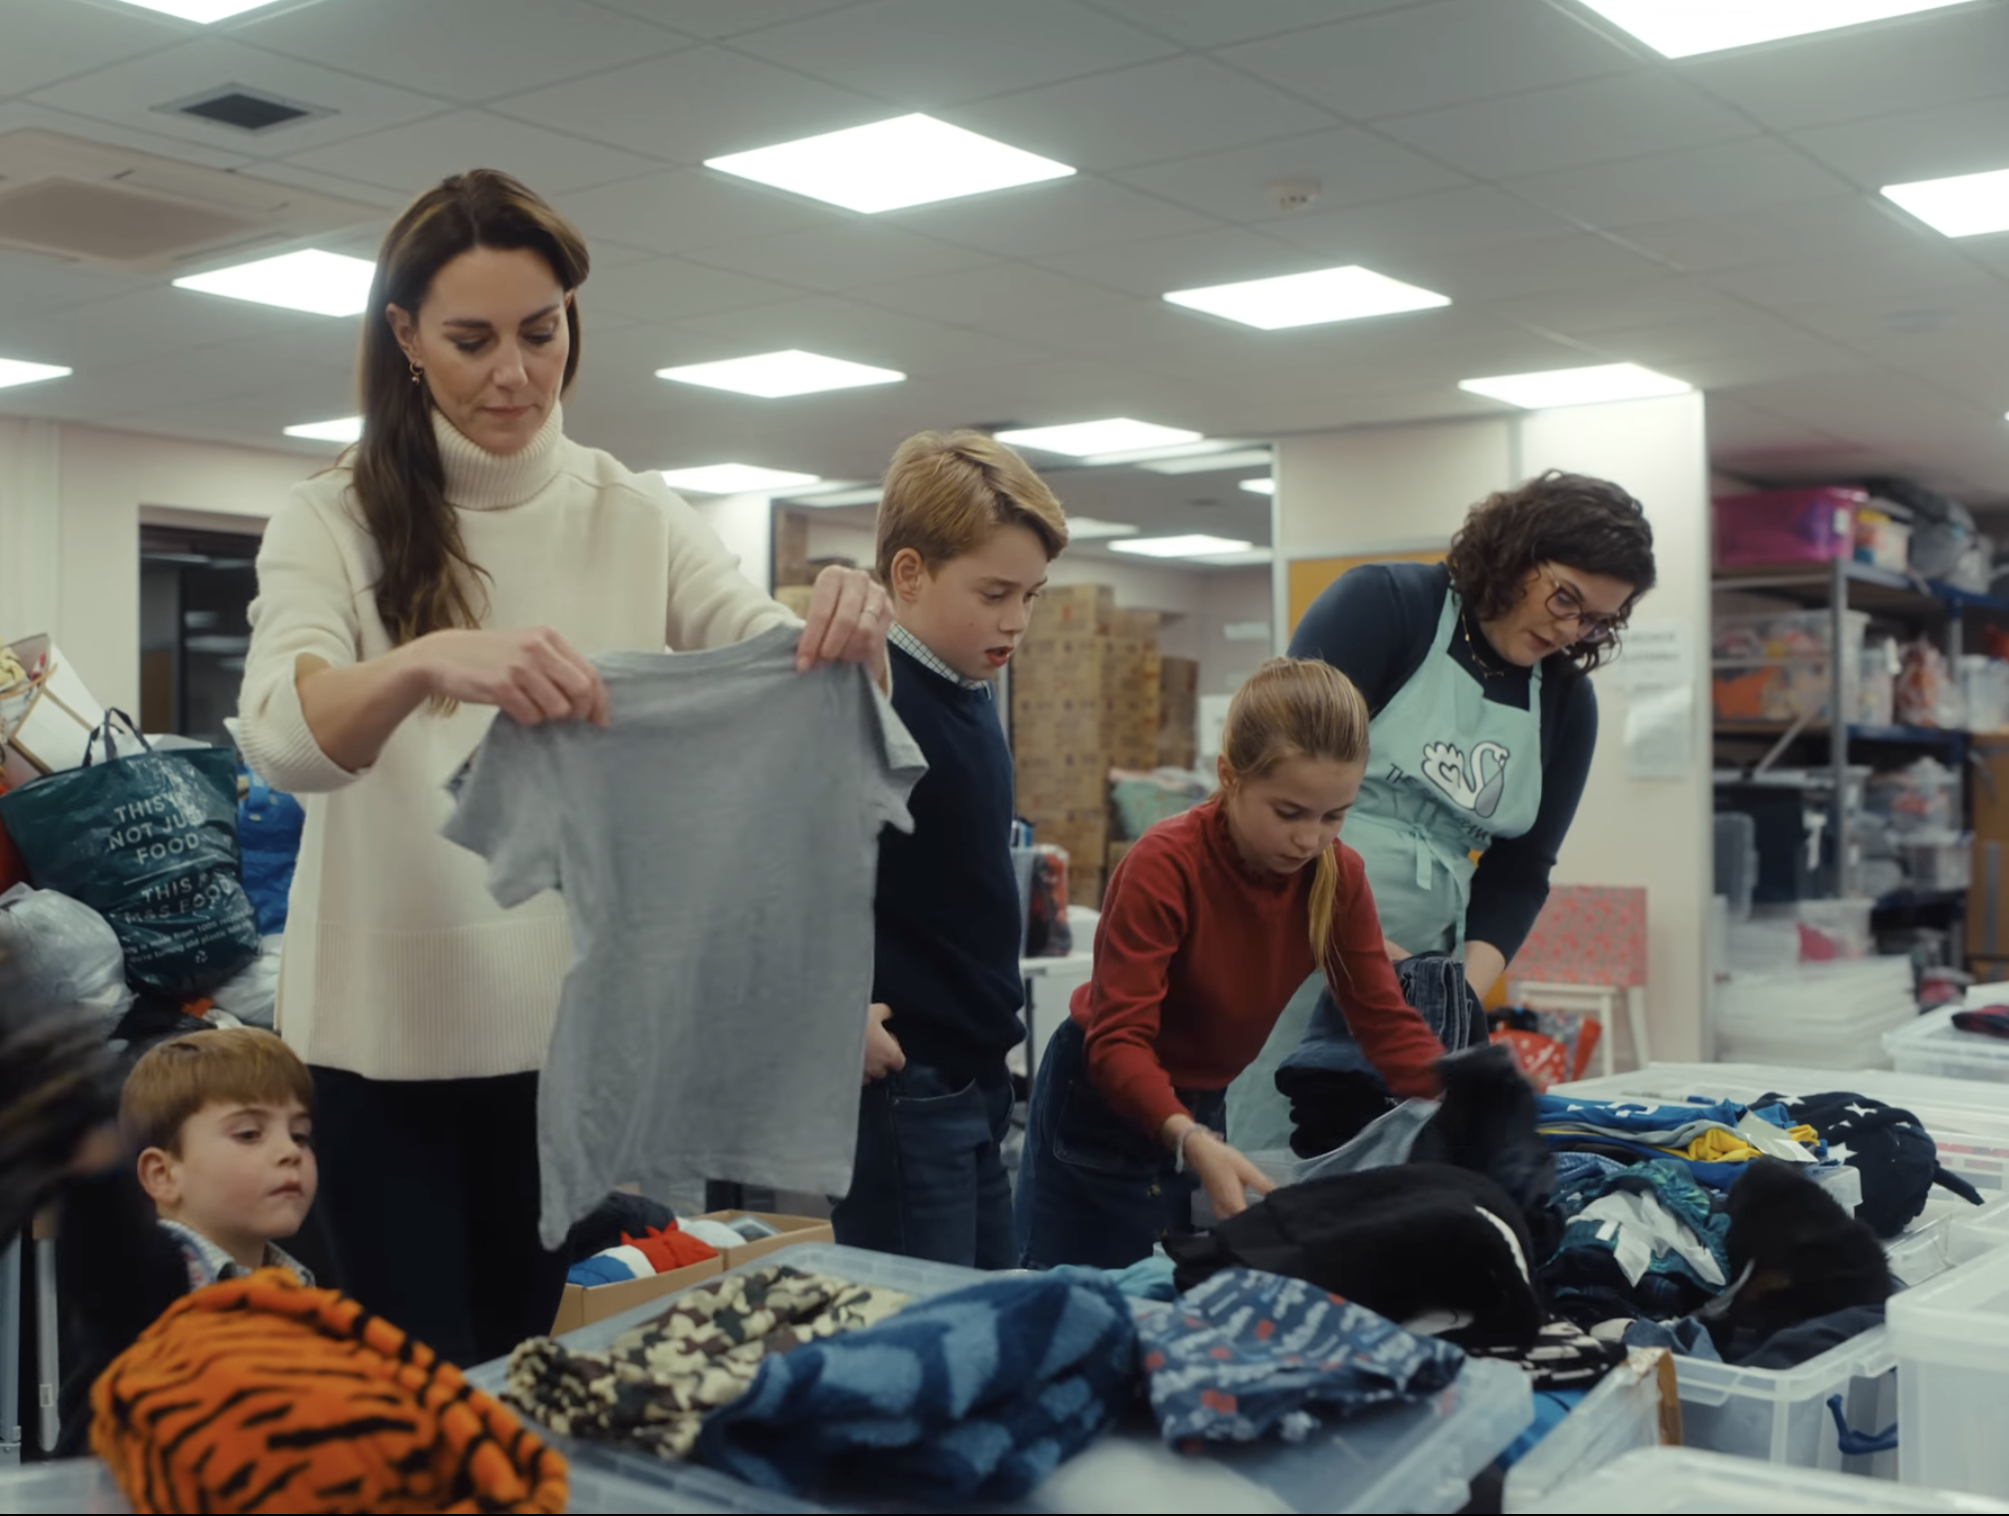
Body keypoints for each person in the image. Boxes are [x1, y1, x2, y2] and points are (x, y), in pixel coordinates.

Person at [234, 170, 893, 1367]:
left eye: (542, 333)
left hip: (576, 1066)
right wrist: (432, 657)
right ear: (405, 340)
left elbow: (781, 675)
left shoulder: (634, 511)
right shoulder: (332, 515)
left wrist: (848, 622)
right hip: (378, 1066)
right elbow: (283, 735)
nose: (514, 374)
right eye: (472, 340)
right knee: (421, 1414)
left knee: (559, 1396)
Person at [1228, 471, 1657, 1154]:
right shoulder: (1386, 606)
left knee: (1382, 1172)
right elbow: (1270, 790)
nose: (1570, 628)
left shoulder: (1567, 703)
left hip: (1417, 975)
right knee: (1267, 1156)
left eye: (1596, 619)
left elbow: (1519, 872)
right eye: (1564, 597)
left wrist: (1452, 995)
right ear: (1514, 551)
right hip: (1288, 929)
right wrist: (1366, 955)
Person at [1014, 658, 1447, 1271]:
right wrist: (1187, 1136)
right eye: (1289, 812)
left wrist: (1465, 1097)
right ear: (1230, 777)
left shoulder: (1337, 876)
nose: (1310, 839)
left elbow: (1382, 1020)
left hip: (1198, 1104)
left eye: (1334, 815)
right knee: (1078, 1299)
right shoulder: (1166, 864)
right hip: (1098, 1107)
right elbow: (1117, 1042)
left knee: (1178, 1295)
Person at [831, 431, 1068, 1268]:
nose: (1016, 620)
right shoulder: (871, 700)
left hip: (975, 1072)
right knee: (916, 1324)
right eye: (995, 592)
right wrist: (833, 1009)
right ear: (908, 575)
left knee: (985, 1313)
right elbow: (787, 874)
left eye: (1031, 595)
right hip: (904, 1081)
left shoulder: (970, 693)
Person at [55, 1028, 322, 1453]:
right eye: (249, 1134)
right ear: (162, 1175)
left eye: (300, 1134)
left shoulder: (302, 1290)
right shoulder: (140, 1286)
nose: (290, 1151)